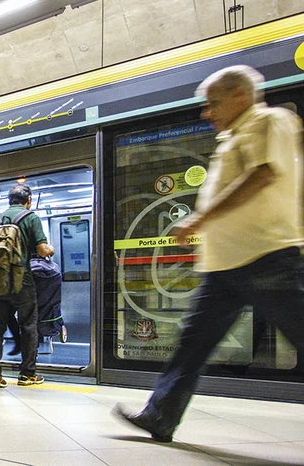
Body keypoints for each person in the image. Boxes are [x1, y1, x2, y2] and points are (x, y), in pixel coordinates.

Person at [114, 65, 304, 442]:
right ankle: (160, 416)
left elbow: (263, 174)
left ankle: (161, 413)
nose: (207, 113)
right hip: (226, 265)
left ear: (241, 95)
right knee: (192, 344)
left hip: (266, 255)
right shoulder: (233, 136)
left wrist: (200, 218)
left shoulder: (267, 121)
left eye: (213, 104)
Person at [0, 184, 54, 388]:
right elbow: (42, 250)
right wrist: (51, 249)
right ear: (28, 200)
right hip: (21, 282)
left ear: (9, 200)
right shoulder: (30, 217)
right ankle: (27, 374)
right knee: (28, 326)